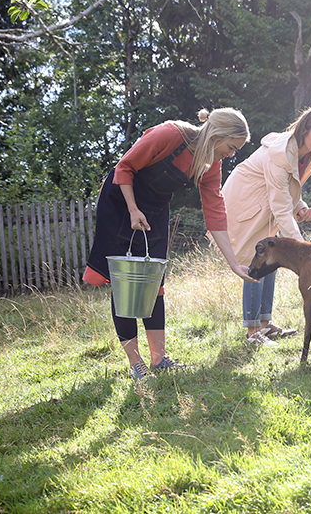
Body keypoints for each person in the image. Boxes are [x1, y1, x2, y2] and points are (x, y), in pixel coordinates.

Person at [83, 108, 256, 380]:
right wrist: (132, 210)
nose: (231, 154)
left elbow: (214, 211)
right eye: (231, 147)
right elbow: (124, 167)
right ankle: (136, 362)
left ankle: (159, 359)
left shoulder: (210, 162)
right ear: (217, 135)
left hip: (155, 208)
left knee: (154, 281)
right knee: (126, 280)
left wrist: (234, 263)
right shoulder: (170, 134)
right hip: (120, 203)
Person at [222, 106, 311, 346]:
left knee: (273, 257)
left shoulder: (306, 156)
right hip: (244, 203)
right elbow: (281, 206)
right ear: (305, 130)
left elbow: (289, 192)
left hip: (265, 205)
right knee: (254, 261)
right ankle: (253, 333)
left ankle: (265, 325)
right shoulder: (281, 154)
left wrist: (301, 208)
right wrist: (304, 249)